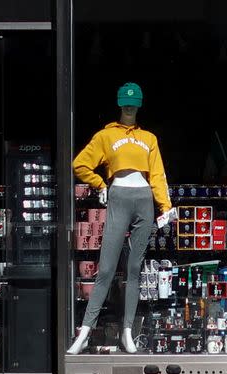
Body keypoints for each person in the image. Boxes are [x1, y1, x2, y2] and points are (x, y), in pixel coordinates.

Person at [67, 82, 173, 354]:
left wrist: (165, 206)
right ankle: (85, 332)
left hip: (144, 199)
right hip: (119, 196)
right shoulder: (106, 136)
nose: (129, 106)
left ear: (139, 105)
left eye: (133, 102)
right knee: (106, 269)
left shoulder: (149, 138)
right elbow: (80, 163)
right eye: (125, 102)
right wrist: (101, 185)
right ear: (119, 103)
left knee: (134, 270)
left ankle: (128, 332)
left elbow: (158, 174)